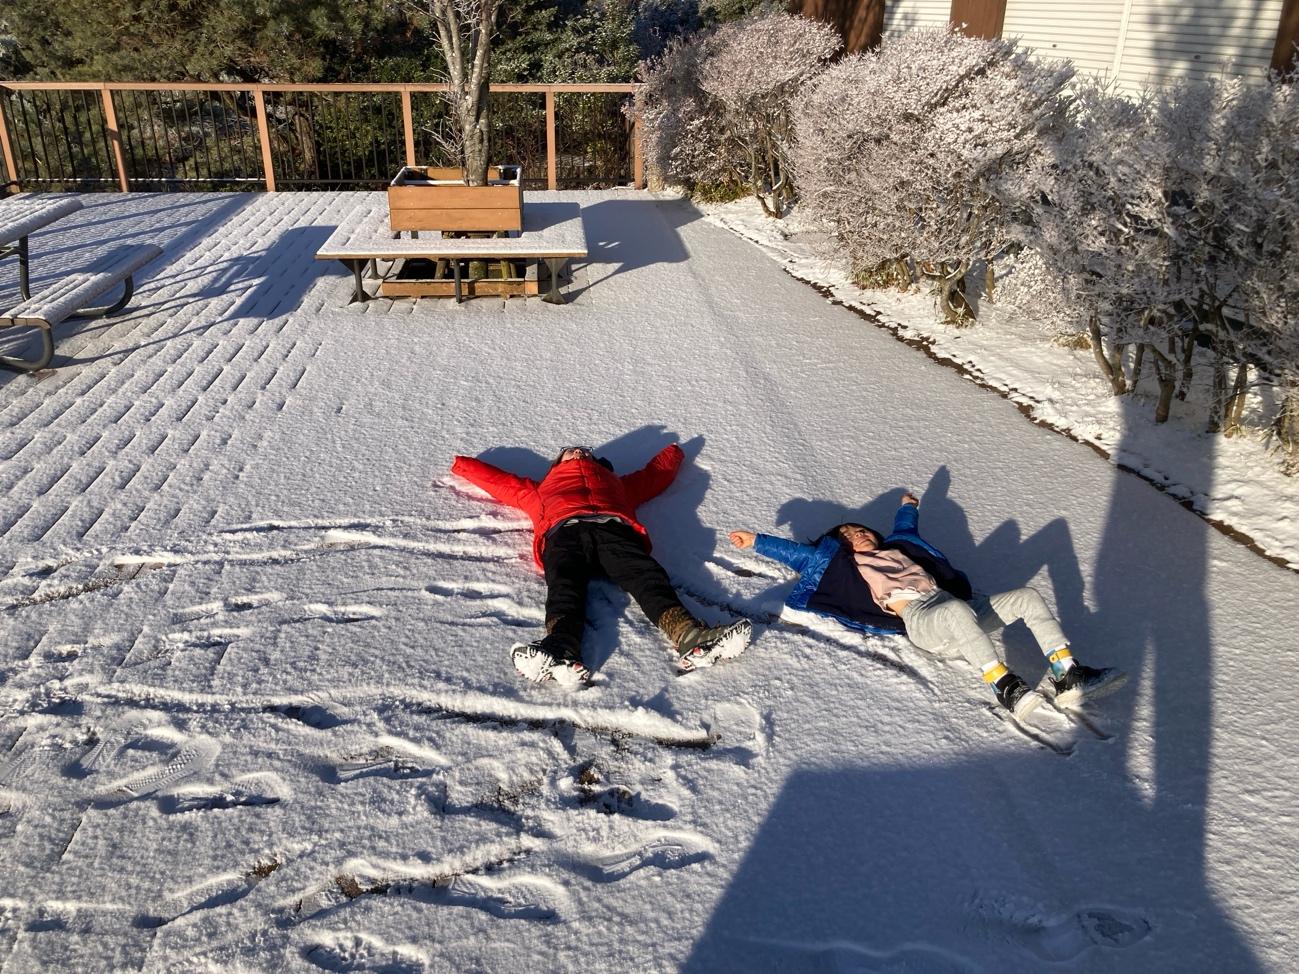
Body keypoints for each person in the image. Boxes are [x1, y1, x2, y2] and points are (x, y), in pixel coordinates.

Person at [729, 492, 1125, 718]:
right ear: (839, 546)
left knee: (1026, 597)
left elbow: (905, 528)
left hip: (954, 607)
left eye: (861, 529)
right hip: (921, 620)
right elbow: (801, 556)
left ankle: (1067, 674)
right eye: (848, 534)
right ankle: (1004, 686)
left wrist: (909, 506)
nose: (859, 534)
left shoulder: (898, 548)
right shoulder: (839, 567)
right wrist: (757, 541)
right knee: (955, 612)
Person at [451, 443, 752, 685]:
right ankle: (560, 649)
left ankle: (690, 636)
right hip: (564, 533)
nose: (578, 451)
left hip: (614, 531)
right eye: (570, 451)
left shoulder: (617, 484)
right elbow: (502, 484)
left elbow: (653, 477)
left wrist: (674, 453)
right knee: (565, 586)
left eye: (585, 451)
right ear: (556, 464)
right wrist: (462, 465)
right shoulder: (541, 489)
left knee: (646, 576)